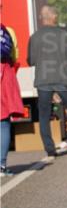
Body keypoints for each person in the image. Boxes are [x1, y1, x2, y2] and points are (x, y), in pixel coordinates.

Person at [27, 5, 67, 160]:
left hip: (43, 80)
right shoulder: (64, 35)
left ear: (42, 18)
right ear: (54, 17)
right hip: (63, 79)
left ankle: (50, 151)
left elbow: (31, 61)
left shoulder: (34, 37)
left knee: (44, 115)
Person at [1, 19, 25, 176]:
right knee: (3, 123)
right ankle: (1, 165)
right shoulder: (7, 31)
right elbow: (15, 57)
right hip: (3, 75)